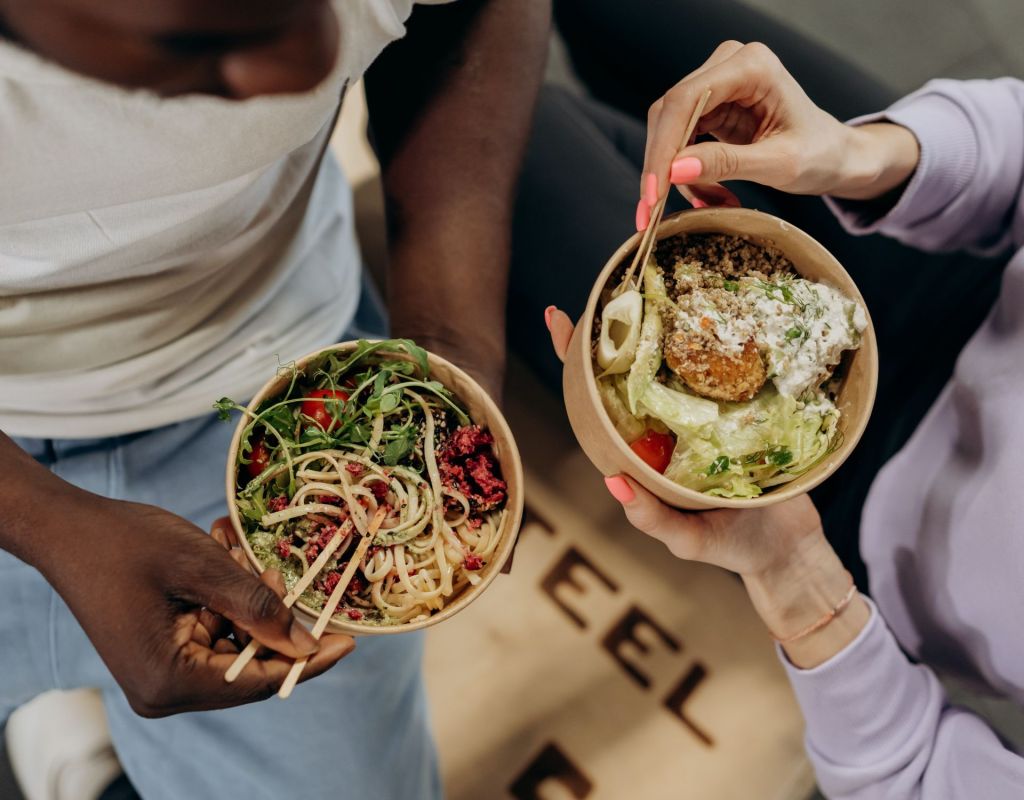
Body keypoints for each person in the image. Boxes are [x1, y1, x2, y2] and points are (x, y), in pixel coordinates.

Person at [0, 0, 548, 797]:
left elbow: (470, 16)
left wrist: (451, 350)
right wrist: (44, 523)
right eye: (195, 35)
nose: (312, 68)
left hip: (270, 366)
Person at [529, 2, 1024, 796]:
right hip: (953, 250)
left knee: (500, 131)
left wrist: (797, 581)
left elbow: (925, 779)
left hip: (854, 516)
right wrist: (862, 154)